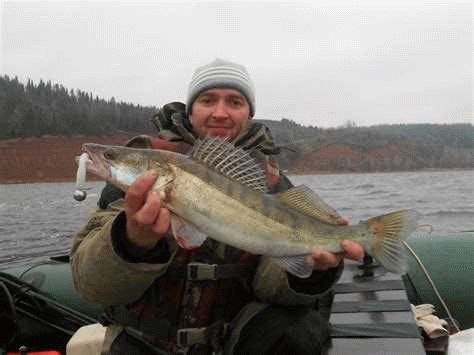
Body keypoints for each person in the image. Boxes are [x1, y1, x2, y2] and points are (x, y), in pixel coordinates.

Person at [71, 58, 364, 355]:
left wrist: (315, 269)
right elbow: (93, 286)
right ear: (190, 109)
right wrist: (132, 241)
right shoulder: (135, 184)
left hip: (234, 343)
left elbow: (269, 286)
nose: (220, 113)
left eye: (235, 102)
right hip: (144, 344)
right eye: (207, 100)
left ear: (249, 112)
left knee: (300, 330)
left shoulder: (273, 185)